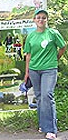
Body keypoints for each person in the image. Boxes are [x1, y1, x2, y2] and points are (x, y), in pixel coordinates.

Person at [24, 9, 66, 140]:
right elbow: (28, 55)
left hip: (49, 69)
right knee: (40, 97)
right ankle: (43, 124)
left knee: (47, 95)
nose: (41, 20)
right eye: (38, 17)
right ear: (34, 20)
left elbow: (62, 47)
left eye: (43, 17)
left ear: (47, 20)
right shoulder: (31, 36)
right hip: (34, 70)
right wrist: (27, 72)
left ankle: (51, 129)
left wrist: (55, 59)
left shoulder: (53, 33)